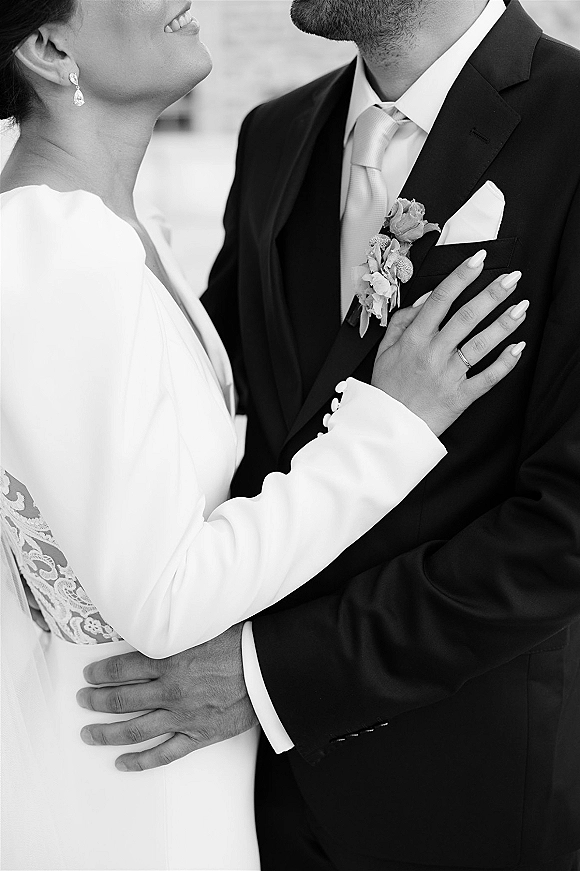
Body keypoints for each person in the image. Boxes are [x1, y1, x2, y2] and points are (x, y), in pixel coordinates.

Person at [0, 1, 527, 869]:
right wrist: (389, 427)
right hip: (131, 784)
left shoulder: (116, 232)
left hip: (199, 772)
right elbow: (164, 598)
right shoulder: (59, 251)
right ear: (51, 46)